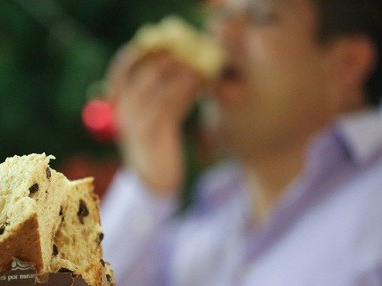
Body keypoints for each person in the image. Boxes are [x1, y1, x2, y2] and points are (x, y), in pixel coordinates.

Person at [99, 0, 382, 284]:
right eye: (221, 14)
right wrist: (148, 185)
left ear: (347, 64)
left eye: (261, 16)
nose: (220, 31)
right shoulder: (206, 226)